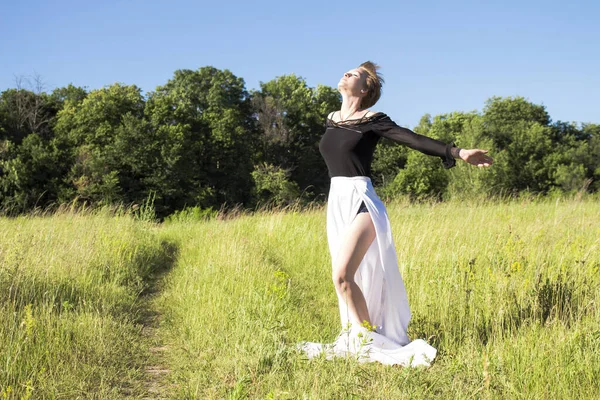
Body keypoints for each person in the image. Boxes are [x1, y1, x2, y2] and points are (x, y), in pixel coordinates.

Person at [298, 61, 493, 367]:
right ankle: (362, 336)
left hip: (362, 199)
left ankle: (367, 341)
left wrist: (457, 152)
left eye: (357, 74)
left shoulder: (373, 119)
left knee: (342, 276)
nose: (347, 73)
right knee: (350, 276)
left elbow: (412, 139)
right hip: (337, 201)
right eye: (348, 71)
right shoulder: (332, 120)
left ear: (366, 89)